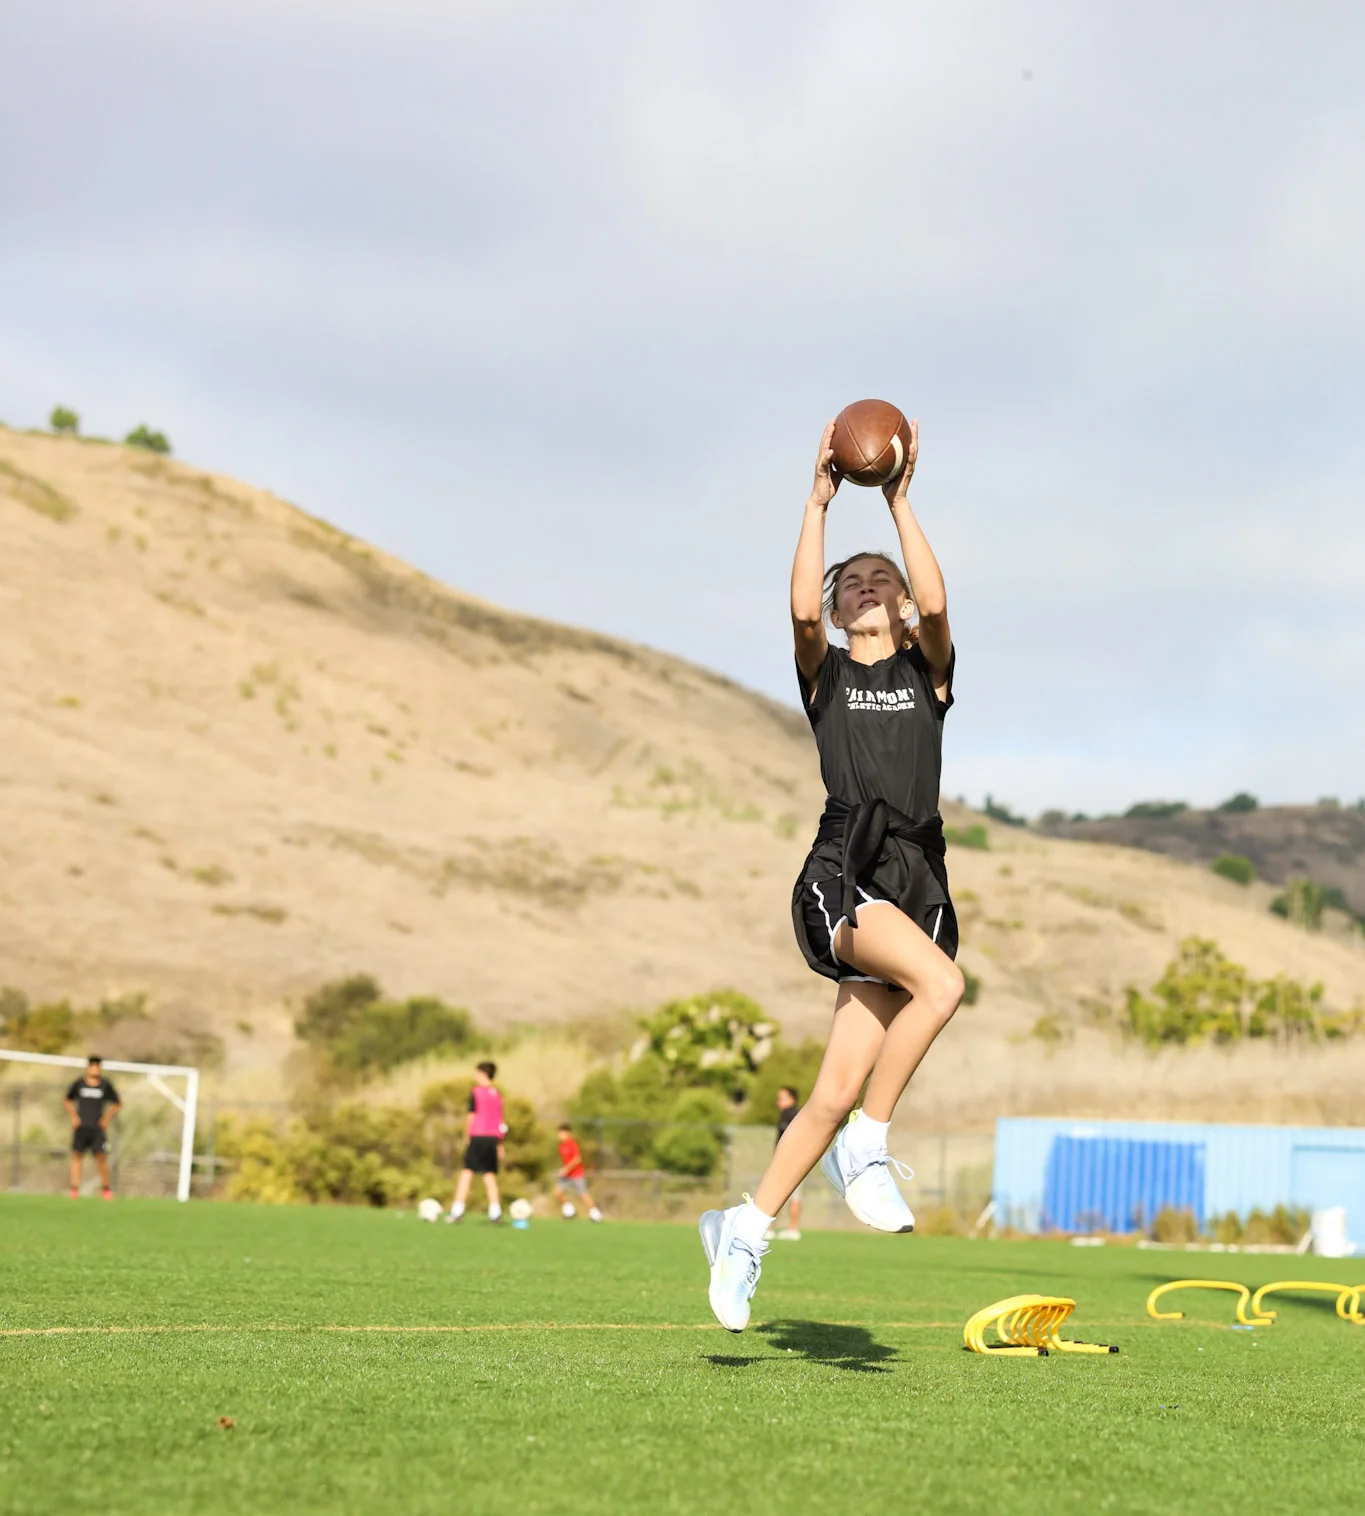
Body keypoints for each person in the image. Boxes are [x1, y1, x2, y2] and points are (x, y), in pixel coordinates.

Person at [701, 417, 965, 1332]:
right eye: (851, 581)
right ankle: (870, 1146)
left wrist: (897, 501)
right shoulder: (827, 677)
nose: (865, 587)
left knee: (829, 1092)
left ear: (900, 604)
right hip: (845, 866)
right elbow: (802, 616)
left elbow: (939, 605)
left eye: (879, 578)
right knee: (942, 986)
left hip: (919, 872)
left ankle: (743, 1228)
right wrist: (816, 503)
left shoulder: (928, 670)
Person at [446, 1061, 506, 1224]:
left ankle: (457, 1211)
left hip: (478, 1135)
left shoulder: (476, 1093)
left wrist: (466, 1134)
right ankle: (495, 1213)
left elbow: (471, 1115)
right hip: (493, 1138)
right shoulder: (497, 1095)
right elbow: (500, 1120)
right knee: (489, 1176)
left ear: (483, 1074)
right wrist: (500, 1143)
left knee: (467, 1173)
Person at [64, 1056, 121, 1200]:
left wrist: (106, 1119)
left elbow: (117, 1103)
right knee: (77, 1156)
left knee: (101, 1157)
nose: (95, 1070)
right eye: (93, 1066)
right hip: (81, 1127)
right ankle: (74, 1189)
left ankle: (106, 1189)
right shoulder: (79, 1084)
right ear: (88, 1068)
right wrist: (74, 1117)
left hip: (97, 1128)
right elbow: (67, 1101)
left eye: (97, 1067)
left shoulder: (105, 1085)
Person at [767, 1087, 803, 1241]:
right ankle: (792, 1229)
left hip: (788, 1161)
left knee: (776, 1193)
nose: (778, 1102)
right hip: (797, 1160)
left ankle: (770, 1229)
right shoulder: (799, 1115)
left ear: (791, 1099)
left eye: (782, 1098)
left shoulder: (788, 1114)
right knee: (793, 1195)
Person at [554, 1123, 603, 1222]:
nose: (559, 1135)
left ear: (567, 1133)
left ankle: (595, 1214)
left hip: (577, 1174)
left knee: (583, 1194)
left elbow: (577, 1159)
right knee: (557, 1192)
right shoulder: (561, 1146)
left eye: (561, 1133)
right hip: (567, 1175)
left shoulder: (572, 1144)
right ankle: (569, 1211)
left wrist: (566, 1169)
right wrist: (565, 1170)